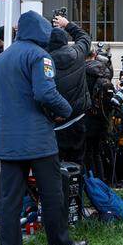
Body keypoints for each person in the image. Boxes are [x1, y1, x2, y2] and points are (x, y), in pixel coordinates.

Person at [0, 10, 87, 245]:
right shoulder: (40, 56)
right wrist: (67, 110)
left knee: (9, 201)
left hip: (8, 140)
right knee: (53, 193)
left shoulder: (0, 59)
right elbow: (45, 93)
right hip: (37, 139)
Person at [48, 15, 92, 167]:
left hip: (55, 121)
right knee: (77, 164)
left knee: (54, 165)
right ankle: (77, 189)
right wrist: (67, 24)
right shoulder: (78, 53)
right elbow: (84, 37)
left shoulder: (43, 62)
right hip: (78, 118)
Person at [84, 48, 113, 181]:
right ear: (95, 55)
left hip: (88, 117)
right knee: (97, 152)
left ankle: (92, 185)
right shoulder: (105, 70)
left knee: (88, 153)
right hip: (102, 118)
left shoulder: (82, 71)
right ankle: (101, 183)